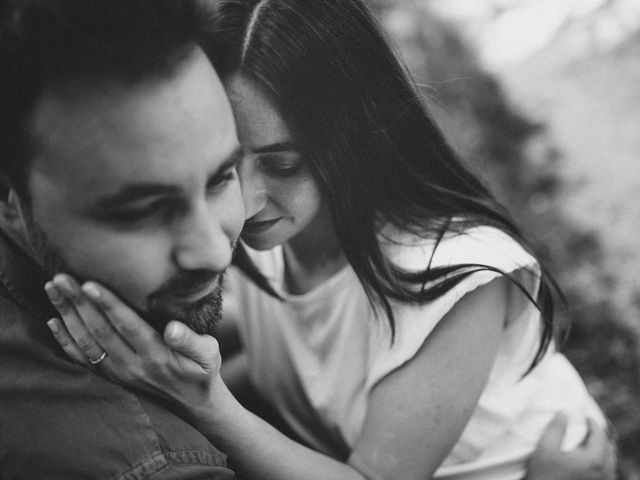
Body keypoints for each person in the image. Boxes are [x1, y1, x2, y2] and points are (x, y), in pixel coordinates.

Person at [45, 0, 617, 479]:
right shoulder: (272, 236)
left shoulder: (457, 278)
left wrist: (205, 402)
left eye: (285, 164)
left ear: (354, 137)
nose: (245, 203)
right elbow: (298, 365)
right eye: (225, 166)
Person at [0, 0, 244, 478]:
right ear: (10, 197)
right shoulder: (158, 466)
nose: (214, 250)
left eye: (221, 178)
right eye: (145, 212)